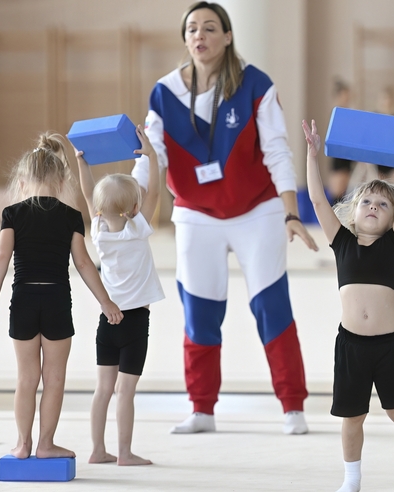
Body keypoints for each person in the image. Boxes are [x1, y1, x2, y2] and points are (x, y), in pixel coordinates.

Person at [131, 1, 317, 435]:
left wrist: (291, 211)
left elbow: (277, 150)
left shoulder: (255, 84)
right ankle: (202, 408)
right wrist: (128, 197)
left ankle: (292, 406)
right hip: (196, 214)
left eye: (210, 28)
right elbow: (151, 155)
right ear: (185, 39)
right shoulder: (163, 92)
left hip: (258, 210)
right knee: (199, 311)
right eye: (192, 28)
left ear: (228, 36)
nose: (200, 35)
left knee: (272, 307)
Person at [0, 133, 123, 460]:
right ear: (60, 179)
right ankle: (46, 444)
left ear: (23, 181)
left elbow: (1, 255)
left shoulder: (13, 213)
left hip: (23, 300)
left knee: (26, 378)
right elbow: (83, 263)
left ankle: (23, 443)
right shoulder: (70, 216)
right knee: (54, 379)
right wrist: (105, 301)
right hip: (56, 301)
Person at [302, 117, 394, 492]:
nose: (374, 207)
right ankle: (352, 479)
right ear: (354, 212)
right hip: (351, 345)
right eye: (367, 202)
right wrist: (312, 155)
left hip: (388, 344)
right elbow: (316, 199)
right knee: (352, 416)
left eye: (382, 205)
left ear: (392, 219)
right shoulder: (341, 242)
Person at [74, 126, 165, 466]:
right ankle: (125, 453)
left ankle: (97, 450)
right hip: (134, 320)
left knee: (103, 390)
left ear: (99, 210)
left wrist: (82, 161)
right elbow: (155, 191)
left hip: (106, 321)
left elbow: (87, 195)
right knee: (125, 392)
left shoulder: (98, 232)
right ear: (135, 208)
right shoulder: (137, 231)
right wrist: (152, 157)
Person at [328, 79, 356, 203]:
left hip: (347, 155)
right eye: (346, 95)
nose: (348, 98)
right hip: (339, 155)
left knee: (344, 192)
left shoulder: (348, 113)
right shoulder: (337, 113)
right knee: (338, 193)